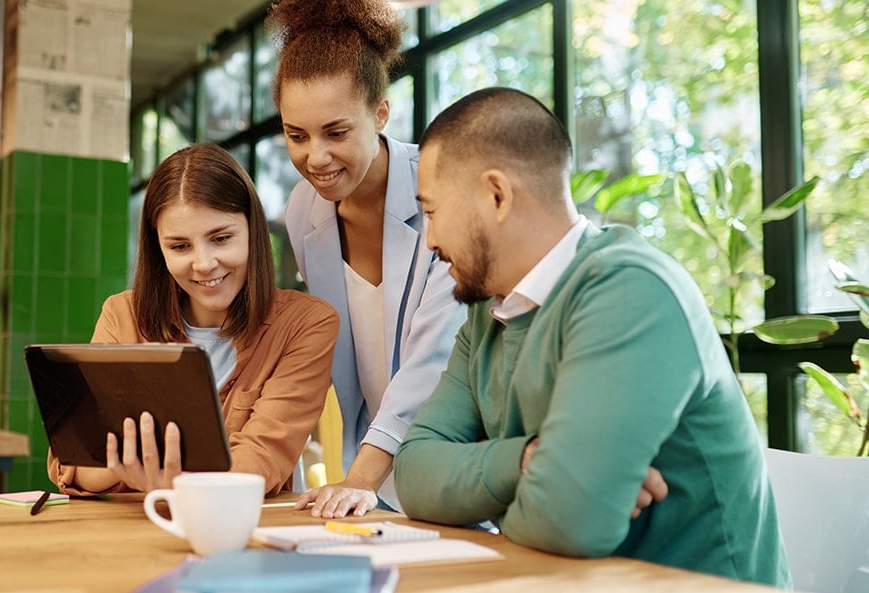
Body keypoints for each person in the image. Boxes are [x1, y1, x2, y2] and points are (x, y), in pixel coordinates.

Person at [395, 87, 789, 586]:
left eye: (431, 212)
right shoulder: (486, 316)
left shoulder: (630, 290)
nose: (429, 241)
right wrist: (529, 460)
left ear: (497, 195)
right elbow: (413, 474)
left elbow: (569, 518)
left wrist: (533, 489)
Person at [46, 144, 339, 497]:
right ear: (158, 249)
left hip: (237, 535)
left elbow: (261, 461)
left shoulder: (307, 324)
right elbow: (73, 463)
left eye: (221, 238)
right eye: (180, 247)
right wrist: (132, 467)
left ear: (253, 230)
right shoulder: (122, 315)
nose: (203, 264)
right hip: (128, 534)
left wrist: (142, 467)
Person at [269, 0, 464, 518]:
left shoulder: (439, 190)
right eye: (296, 135)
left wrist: (357, 481)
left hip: (455, 461)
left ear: (380, 113)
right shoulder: (304, 212)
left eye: (336, 133)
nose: (316, 158)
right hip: (372, 484)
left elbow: (434, 358)